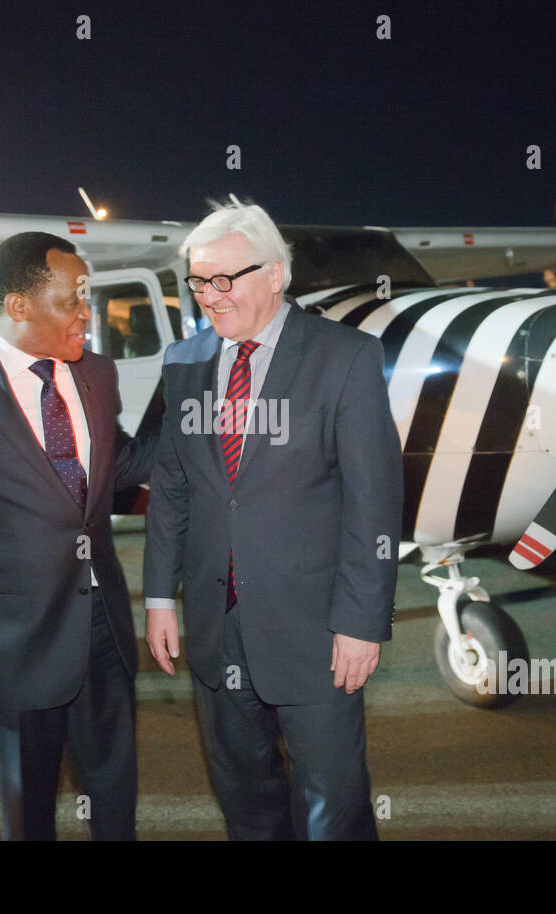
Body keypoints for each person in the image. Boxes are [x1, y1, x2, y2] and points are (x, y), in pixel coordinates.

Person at [143, 202, 403, 840]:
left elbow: (375, 501)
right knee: (246, 800)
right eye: (200, 282)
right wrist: (158, 596)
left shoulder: (346, 357)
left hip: (315, 630)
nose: (210, 295)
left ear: (277, 274)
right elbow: (173, 486)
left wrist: (362, 622)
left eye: (226, 279)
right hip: (215, 624)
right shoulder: (183, 362)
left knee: (333, 805)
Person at [0, 232, 157, 841]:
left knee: (116, 801)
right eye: (72, 300)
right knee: (29, 811)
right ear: (17, 306)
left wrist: (209, 441)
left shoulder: (95, 373)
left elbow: (117, 464)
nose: (86, 315)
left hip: (104, 629)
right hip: (12, 643)